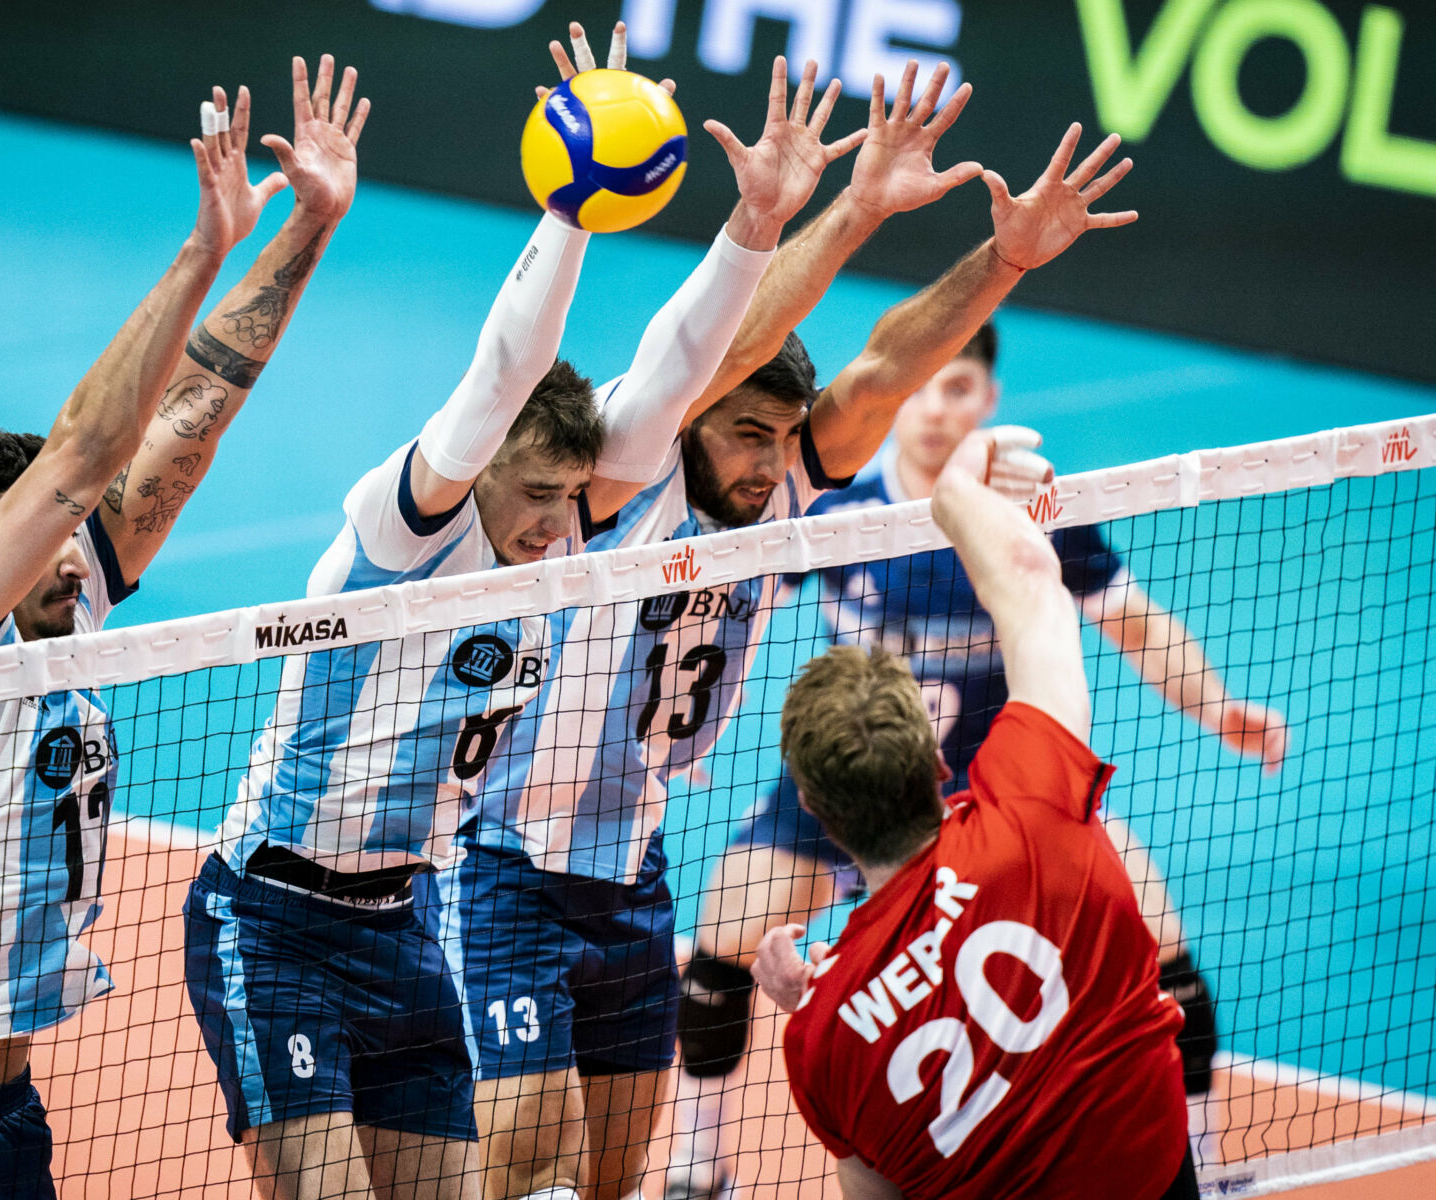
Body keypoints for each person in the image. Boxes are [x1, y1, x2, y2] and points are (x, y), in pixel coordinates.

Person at [449, 48, 1139, 1200]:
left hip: (633, 872)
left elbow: (881, 371)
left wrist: (1006, 259)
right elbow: (714, 349)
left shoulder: (783, 497)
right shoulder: (622, 486)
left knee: (611, 1175)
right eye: (745, 434)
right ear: (691, 424)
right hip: (512, 866)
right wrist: (848, 208)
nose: (771, 461)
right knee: (526, 1153)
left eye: (782, 438)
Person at [182, 22, 843, 1199]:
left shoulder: (568, 537)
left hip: (403, 916)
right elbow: (500, 373)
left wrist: (754, 225)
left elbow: (674, 370)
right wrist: (570, 213)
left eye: (566, 498)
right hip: (275, 912)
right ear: (478, 467)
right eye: (533, 494)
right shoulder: (407, 532)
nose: (553, 523)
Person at [0, 62, 357, 1200]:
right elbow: (84, 453)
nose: (69, 556)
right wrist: (203, 248)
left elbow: (195, 410)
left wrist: (308, 226)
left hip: (7, 1116)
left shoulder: (71, 601)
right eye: (41, 535)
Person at [670, 322, 1290, 1192]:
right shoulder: (836, 510)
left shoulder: (1030, 515)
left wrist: (1217, 707)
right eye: (923, 385)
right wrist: (690, 724)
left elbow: (1133, 621)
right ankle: (696, 1167)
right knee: (724, 935)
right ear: (898, 394)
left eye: (958, 389)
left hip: (997, 793)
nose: (935, 408)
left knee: (1163, 948)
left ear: (989, 400)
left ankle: (1207, 1160)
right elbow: (737, 605)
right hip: (855, 778)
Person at [756, 426, 1199, 1200]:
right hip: (1154, 1179)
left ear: (813, 810)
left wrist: (822, 1003)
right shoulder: (1035, 808)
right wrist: (957, 489)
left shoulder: (820, 1038)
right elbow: (1029, 586)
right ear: (937, 762)